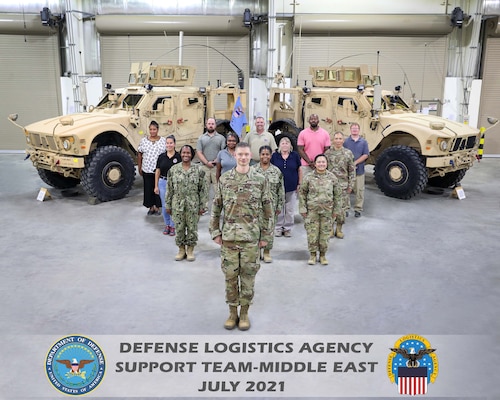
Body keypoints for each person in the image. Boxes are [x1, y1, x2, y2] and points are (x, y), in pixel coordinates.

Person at [209, 142, 273, 331]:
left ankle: (244, 313)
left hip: (251, 238)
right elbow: (216, 206)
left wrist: (266, 236)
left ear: (250, 156)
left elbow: (268, 209)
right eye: (240, 155)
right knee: (230, 277)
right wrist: (215, 232)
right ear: (234, 156)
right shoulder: (225, 179)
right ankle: (232, 312)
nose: (243, 157)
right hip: (229, 237)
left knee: (248, 277)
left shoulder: (260, 179)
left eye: (246, 154)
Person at [165, 145, 208, 262]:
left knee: (192, 228)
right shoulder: (173, 170)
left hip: (193, 204)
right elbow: (169, 188)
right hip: (177, 204)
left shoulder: (198, 170)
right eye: (183, 153)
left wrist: (202, 205)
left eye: (188, 153)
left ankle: (190, 250)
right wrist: (167, 205)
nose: (186, 155)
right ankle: (181, 249)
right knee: (179, 228)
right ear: (180, 154)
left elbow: (203, 189)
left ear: (192, 155)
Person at [298, 154, 342, 266]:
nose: (321, 164)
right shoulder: (309, 177)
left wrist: (336, 210)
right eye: (319, 162)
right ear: (315, 163)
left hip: (327, 212)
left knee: (325, 234)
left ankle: (322, 255)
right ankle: (312, 255)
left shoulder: (332, 178)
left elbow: (337, 195)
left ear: (326, 163)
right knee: (312, 233)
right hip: (312, 211)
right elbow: (302, 193)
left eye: (323, 162)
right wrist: (302, 208)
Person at [252, 145, 284, 263]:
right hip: (255, 207)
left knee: (269, 229)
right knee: (255, 229)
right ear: (259, 155)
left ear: (271, 156)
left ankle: (266, 252)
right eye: (263, 154)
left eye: (267, 154)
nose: (265, 156)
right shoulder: (253, 171)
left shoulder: (276, 171)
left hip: (271, 206)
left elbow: (281, 190)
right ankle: (256, 252)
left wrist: (279, 206)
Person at [325, 132, 355, 238]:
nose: (338, 140)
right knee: (330, 208)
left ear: (343, 140)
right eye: (336, 138)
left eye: (340, 138)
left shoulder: (348, 153)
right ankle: (330, 230)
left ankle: (339, 229)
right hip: (330, 186)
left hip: (343, 186)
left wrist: (351, 185)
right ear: (333, 140)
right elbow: (324, 170)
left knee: (341, 210)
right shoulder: (327, 153)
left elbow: (351, 170)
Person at [271, 136, 302, 237]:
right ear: (279, 145)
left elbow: (299, 170)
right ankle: (278, 228)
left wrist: (299, 183)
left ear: (290, 146)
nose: (285, 145)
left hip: (291, 187)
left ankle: (288, 228)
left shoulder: (295, 155)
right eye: (283, 143)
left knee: (289, 209)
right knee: (278, 209)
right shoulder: (275, 156)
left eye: (287, 143)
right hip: (277, 187)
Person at [196, 118, 226, 212]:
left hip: (216, 167)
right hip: (204, 167)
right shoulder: (201, 138)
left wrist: (215, 161)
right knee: (204, 188)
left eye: (212, 123)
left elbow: (223, 152)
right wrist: (206, 162)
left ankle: (218, 207)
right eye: (209, 123)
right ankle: (203, 208)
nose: (211, 125)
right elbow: (199, 152)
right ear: (206, 125)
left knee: (218, 188)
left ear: (215, 125)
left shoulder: (221, 138)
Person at [137, 121, 166, 215]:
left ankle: (157, 207)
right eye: (151, 129)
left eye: (154, 129)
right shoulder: (144, 141)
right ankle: (151, 207)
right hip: (147, 169)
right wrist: (140, 167)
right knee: (148, 189)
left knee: (157, 189)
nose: (152, 131)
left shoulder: (163, 141)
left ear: (157, 130)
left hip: (158, 170)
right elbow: (139, 154)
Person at [154, 135, 181, 236]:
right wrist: (156, 186)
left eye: (171, 143)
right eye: (167, 143)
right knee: (165, 206)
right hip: (163, 182)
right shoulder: (161, 157)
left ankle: (173, 226)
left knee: (173, 205)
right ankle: (167, 225)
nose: (169, 145)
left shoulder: (178, 157)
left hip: (175, 183)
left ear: (174, 144)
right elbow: (157, 171)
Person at [343, 123, 369, 217]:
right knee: (346, 190)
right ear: (350, 130)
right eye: (353, 128)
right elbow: (343, 154)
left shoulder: (363, 142)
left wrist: (355, 163)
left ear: (359, 130)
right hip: (347, 172)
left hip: (359, 171)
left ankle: (358, 209)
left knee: (359, 191)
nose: (354, 130)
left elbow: (365, 154)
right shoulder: (346, 142)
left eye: (356, 128)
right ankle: (345, 208)